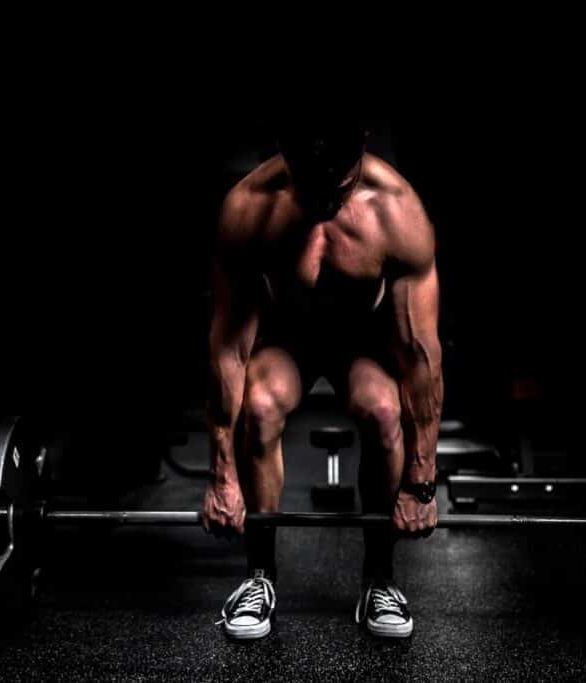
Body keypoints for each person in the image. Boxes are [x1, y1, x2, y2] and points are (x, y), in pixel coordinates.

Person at [203, 118, 443, 639]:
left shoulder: (397, 212)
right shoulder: (249, 209)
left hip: (363, 339)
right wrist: (222, 475)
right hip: (288, 337)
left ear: (362, 141)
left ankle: (380, 578)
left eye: (338, 181)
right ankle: (258, 577)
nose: (324, 197)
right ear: (283, 147)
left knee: (383, 410)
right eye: (310, 181)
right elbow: (229, 348)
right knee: (261, 405)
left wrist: (421, 487)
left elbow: (419, 358)